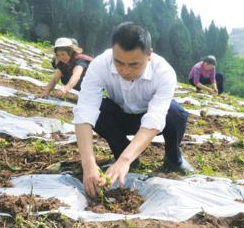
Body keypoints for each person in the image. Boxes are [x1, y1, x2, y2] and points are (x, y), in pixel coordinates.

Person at [73, 22, 194, 197]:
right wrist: (88, 164)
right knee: (99, 109)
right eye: (119, 62)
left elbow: (154, 118)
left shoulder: (164, 72)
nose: (125, 70)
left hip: (146, 118)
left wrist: (125, 160)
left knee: (175, 113)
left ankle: (173, 159)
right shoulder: (100, 64)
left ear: (149, 56)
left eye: (134, 65)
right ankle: (125, 154)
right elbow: (85, 110)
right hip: (121, 114)